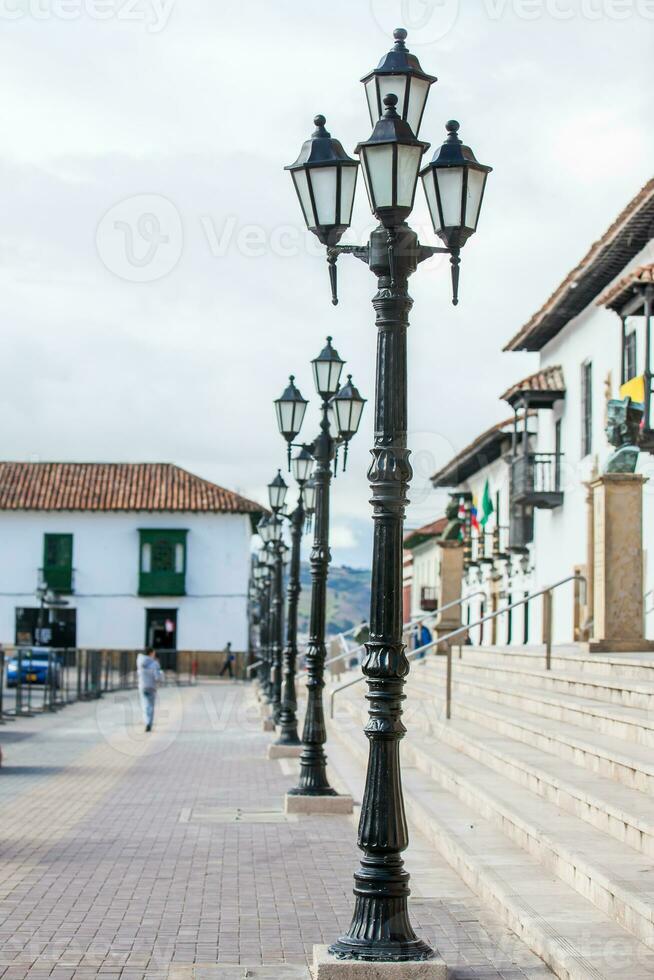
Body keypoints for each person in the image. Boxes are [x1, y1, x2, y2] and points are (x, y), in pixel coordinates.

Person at [137, 648, 162, 732]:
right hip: (151, 687)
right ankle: (149, 723)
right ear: (150, 653)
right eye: (153, 653)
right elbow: (157, 677)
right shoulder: (154, 663)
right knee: (150, 706)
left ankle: (146, 721)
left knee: (144, 705)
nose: (154, 655)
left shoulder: (139, 661)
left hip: (142, 686)